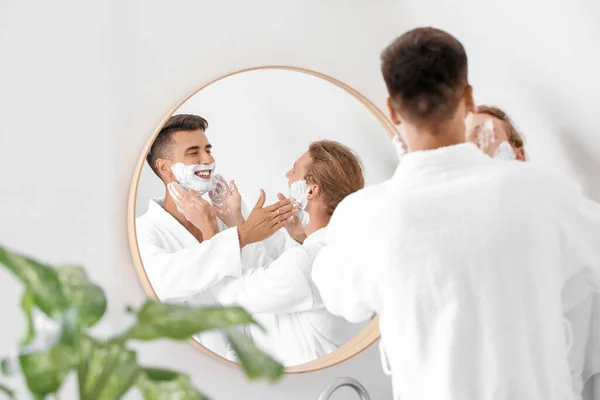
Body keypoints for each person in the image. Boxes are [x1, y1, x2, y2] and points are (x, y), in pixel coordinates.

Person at [312, 27, 600, 400]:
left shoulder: (366, 217)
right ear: (468, 96)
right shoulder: (542, 193)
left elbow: (338, 296)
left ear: (391, 109)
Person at [171, 140, 367, 366]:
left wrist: (209, 227)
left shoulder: (306, 264)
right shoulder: (343, 249)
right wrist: (236, 220)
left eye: (294, 170)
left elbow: (231, 295)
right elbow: (268, 274)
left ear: (311, 190)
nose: (287, 175)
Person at [135, 114, 297, 356]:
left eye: (208, 149)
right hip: (204, 365)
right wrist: (239, 236)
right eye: (194, 152)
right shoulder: (145, 231)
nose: (208, 159)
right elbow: (163, 283)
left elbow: (262, 275)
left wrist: (234, 220)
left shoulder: (226, 214)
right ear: (164, 167)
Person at [468, 104, 600, 397]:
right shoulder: (458, 241)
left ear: (518, 154)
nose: (473, 145)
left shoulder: (563, 219)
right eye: (465, 140)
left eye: (484, 134)